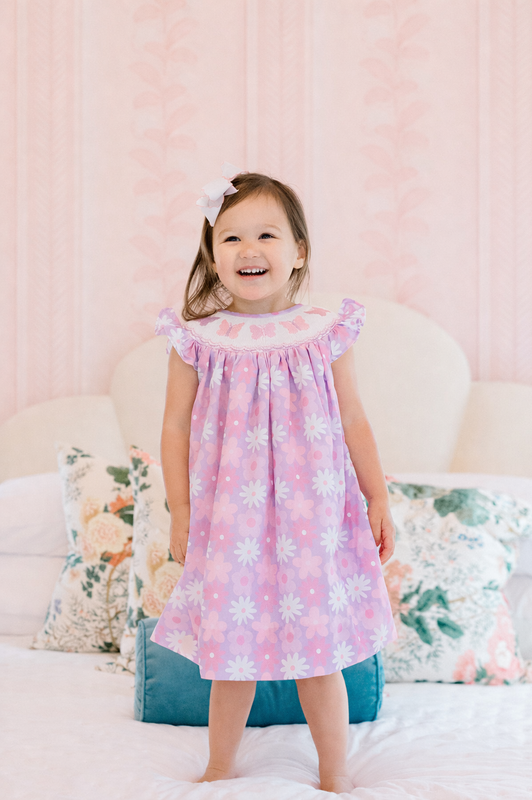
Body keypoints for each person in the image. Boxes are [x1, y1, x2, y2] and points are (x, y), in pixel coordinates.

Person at [150, 163, 397, 794]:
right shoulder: (198, 339)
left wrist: (377, 495)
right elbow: (176, 427)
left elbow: (354, 419)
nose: (249, 249)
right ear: (211, 254)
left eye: (266, 235)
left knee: (321, 654)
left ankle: (336, 774)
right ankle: (218, 767)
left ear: (297, 252)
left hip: (312, 520)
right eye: (230, 238)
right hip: (229, 519)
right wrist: (179, 509)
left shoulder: (324, 332)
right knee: (232, 654)